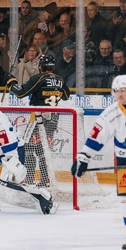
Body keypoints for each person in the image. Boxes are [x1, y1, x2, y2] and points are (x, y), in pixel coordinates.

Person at [71, 75, 126, 248]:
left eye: (123, 91)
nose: (120, 95)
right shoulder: (112, 113)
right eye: (117, 91)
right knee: (125, 200)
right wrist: (84, 157)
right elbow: (96, 136)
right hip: (124, 162)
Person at [6, 54, 70, 187]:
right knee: (43, 150)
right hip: (53, 120)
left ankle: (29, 179)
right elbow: (66, 96)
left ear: (41, 66)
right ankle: (45, 179)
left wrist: (11, 83)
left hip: (38, 119)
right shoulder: (60, 79)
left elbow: (21, 93)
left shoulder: (39, 78)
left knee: (29, 148)